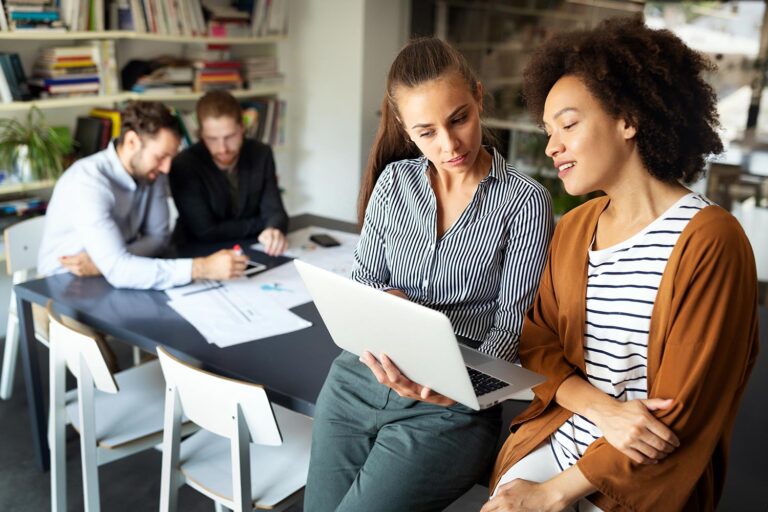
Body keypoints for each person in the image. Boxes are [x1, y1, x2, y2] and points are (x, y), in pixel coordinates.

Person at [484, 16, 759, 512]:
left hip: (638, 476)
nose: (552, 146)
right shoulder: (572, 228)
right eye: (548, 131)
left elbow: (680, 417)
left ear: (628, 119)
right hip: (553, 444)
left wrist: (549, 496)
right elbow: (537, 346)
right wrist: (603, 410)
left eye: (568, 124)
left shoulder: (711, 241)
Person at [303, 37, 553, 512]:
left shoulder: (524, 202)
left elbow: (509, 331)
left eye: (459, 118)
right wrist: (381, 302)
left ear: (479, 97)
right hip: (359, 380)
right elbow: (362, 286)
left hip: (449, 407)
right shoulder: (394, 183)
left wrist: (458, 388)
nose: (449, 144)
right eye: (426, 131)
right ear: (404, 127)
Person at [38, 100, 247, 290]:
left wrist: (105, 263)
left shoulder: (150, 173)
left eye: (170, 158)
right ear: (131, 142)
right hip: (61, 287)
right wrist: (202, 268)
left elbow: (159, 238)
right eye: (160, 156)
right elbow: (119, 270)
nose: (166, 168)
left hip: (113, 279)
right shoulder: (87, 183)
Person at [169, 90, 288, 256]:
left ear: (242, 128)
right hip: (198, 254)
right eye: (212, 139)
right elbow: (206, 231)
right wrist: (263, 224)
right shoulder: (184, 164)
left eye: (230, 136)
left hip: (252, 250)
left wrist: (273, 229)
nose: (223, 148)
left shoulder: (261, 154)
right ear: (201, 134)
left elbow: (275, 212)